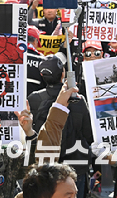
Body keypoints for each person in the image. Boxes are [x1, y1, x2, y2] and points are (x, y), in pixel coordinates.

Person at [28, 55, 94, 198]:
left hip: (46, 169)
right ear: (63, 74)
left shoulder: (33, 99)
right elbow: (89, 134)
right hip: (77, 165)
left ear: (42, 75)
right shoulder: (78, 99)